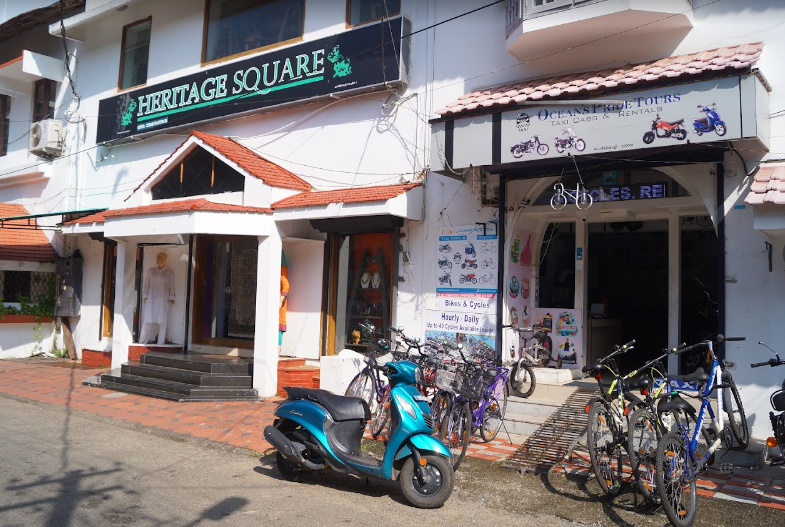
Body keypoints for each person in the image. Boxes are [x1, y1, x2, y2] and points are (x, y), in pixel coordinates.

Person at [138, 251, 175, 345]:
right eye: (157, 257)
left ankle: (160, 343)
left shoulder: (169, 273)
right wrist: (145, 296)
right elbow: (146, 284)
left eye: (160, 257)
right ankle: (142, 341)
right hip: (151, 299)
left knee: (163, 321)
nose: (158, 259)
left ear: (165, 259)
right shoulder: (151, 271)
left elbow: (172, 286)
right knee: (148, 319)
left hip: (164, 300)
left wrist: (172, 297)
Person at [279, 264, 289, 354]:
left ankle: (275, 355)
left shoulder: (282, 268)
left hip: (279, 305)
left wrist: (280, 300)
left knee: (278, 330)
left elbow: (286, 286)